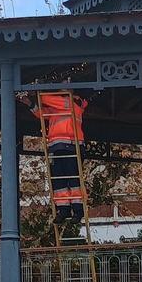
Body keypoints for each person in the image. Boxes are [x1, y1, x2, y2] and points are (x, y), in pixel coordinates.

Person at [24, 91, 88, 224]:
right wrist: (30, 103)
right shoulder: (59, 107)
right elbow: (42, 113)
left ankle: (78, 210)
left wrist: (36, 92)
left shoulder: (71, 103)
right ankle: (63, 210)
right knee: (59, 182)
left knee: (73, 180)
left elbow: (46, 99)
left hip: (71, 146)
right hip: (57, 147)